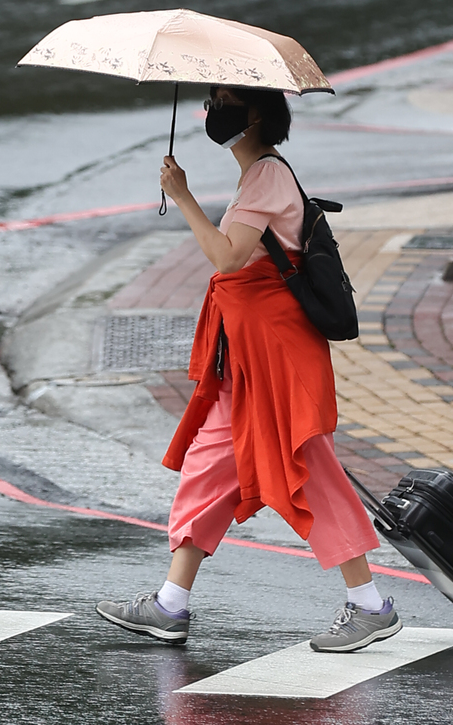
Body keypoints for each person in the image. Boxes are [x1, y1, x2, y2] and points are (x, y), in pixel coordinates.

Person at [95, 86, 402, 653]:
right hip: (248, 356)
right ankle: (170, 604)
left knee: (307, 469)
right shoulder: (256, 176)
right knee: (211, 464)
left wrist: (181, 195)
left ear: (256, 113)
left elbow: (228, 256)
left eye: (224, 101)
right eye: (211, 101)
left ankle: (371, 605)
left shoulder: (266, 175)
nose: (213, 112)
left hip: (280, 355)